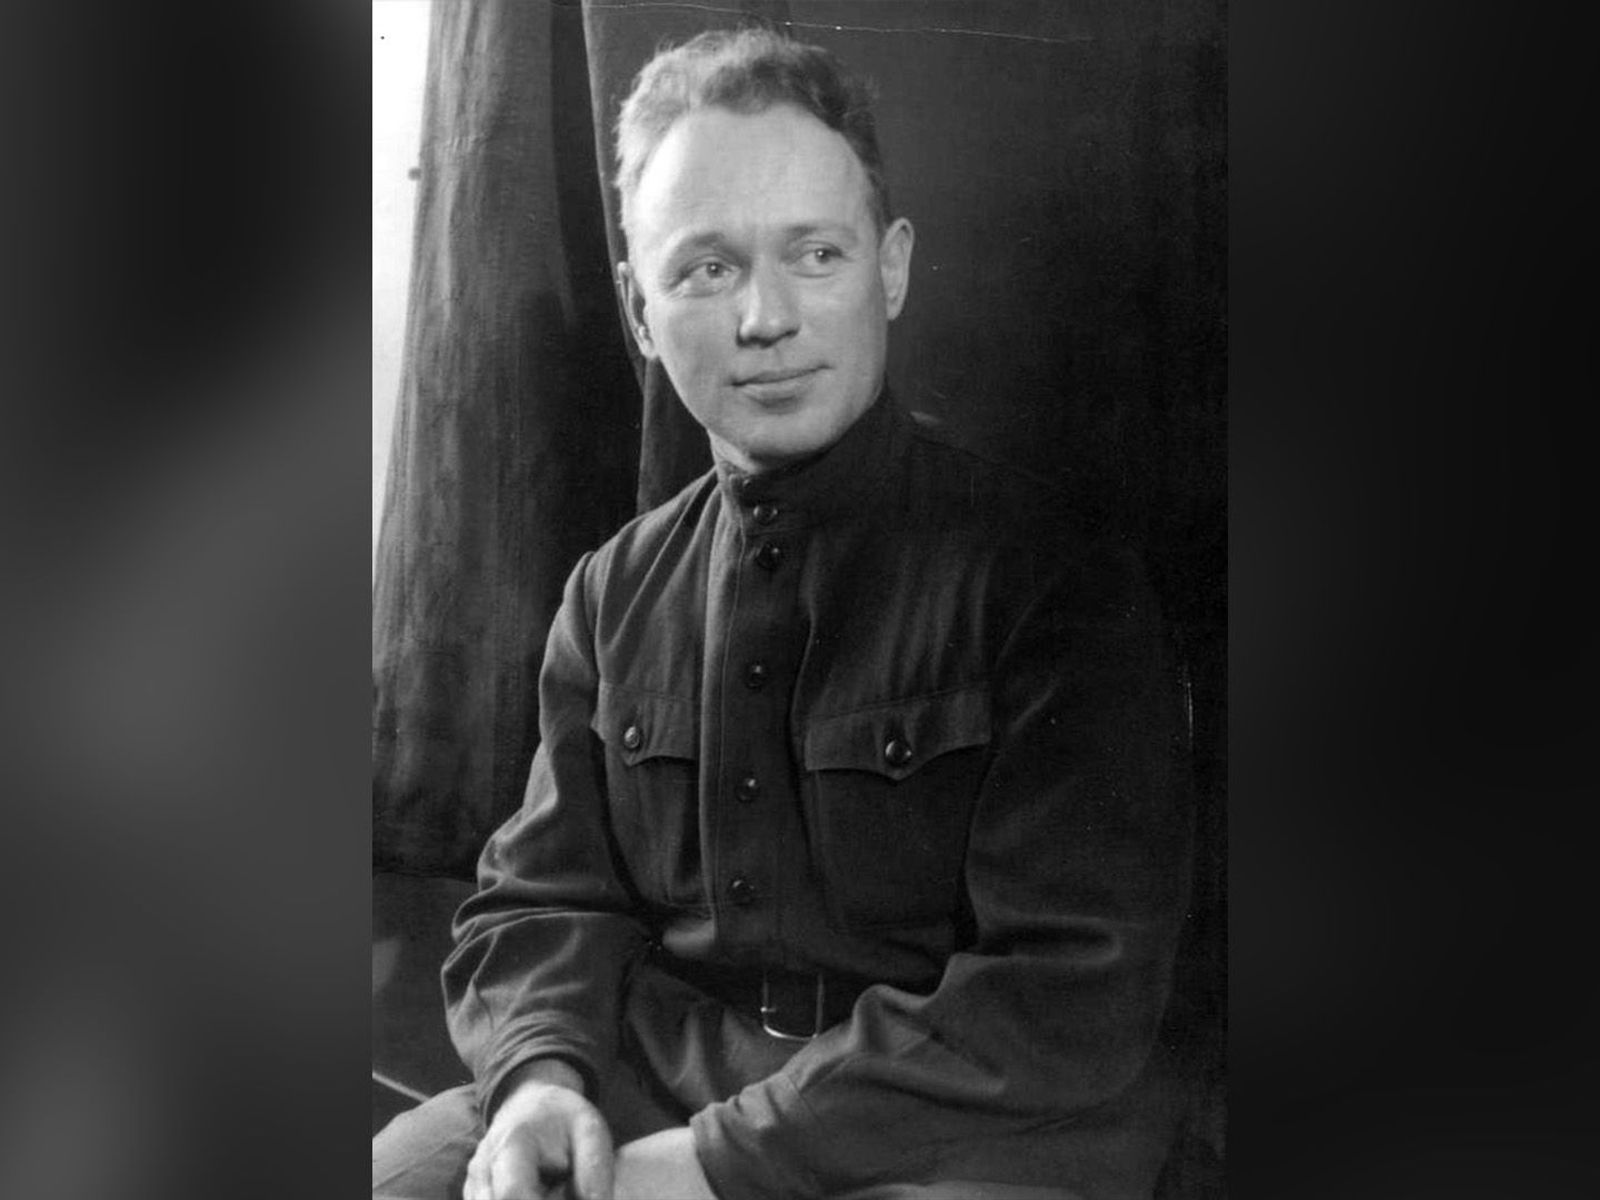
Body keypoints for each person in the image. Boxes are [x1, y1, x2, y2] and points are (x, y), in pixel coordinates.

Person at [374, 27, 1194, 1200]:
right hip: (666, 1082)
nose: (765, 316)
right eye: (705, 269)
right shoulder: (612, 591)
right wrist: (539, 1080)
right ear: (638, 308)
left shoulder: (1056, 585)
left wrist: (721, 1165)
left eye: (814, 254)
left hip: (955, 1124)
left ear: (889, 269)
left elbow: (1069, 990)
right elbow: (542, 897)